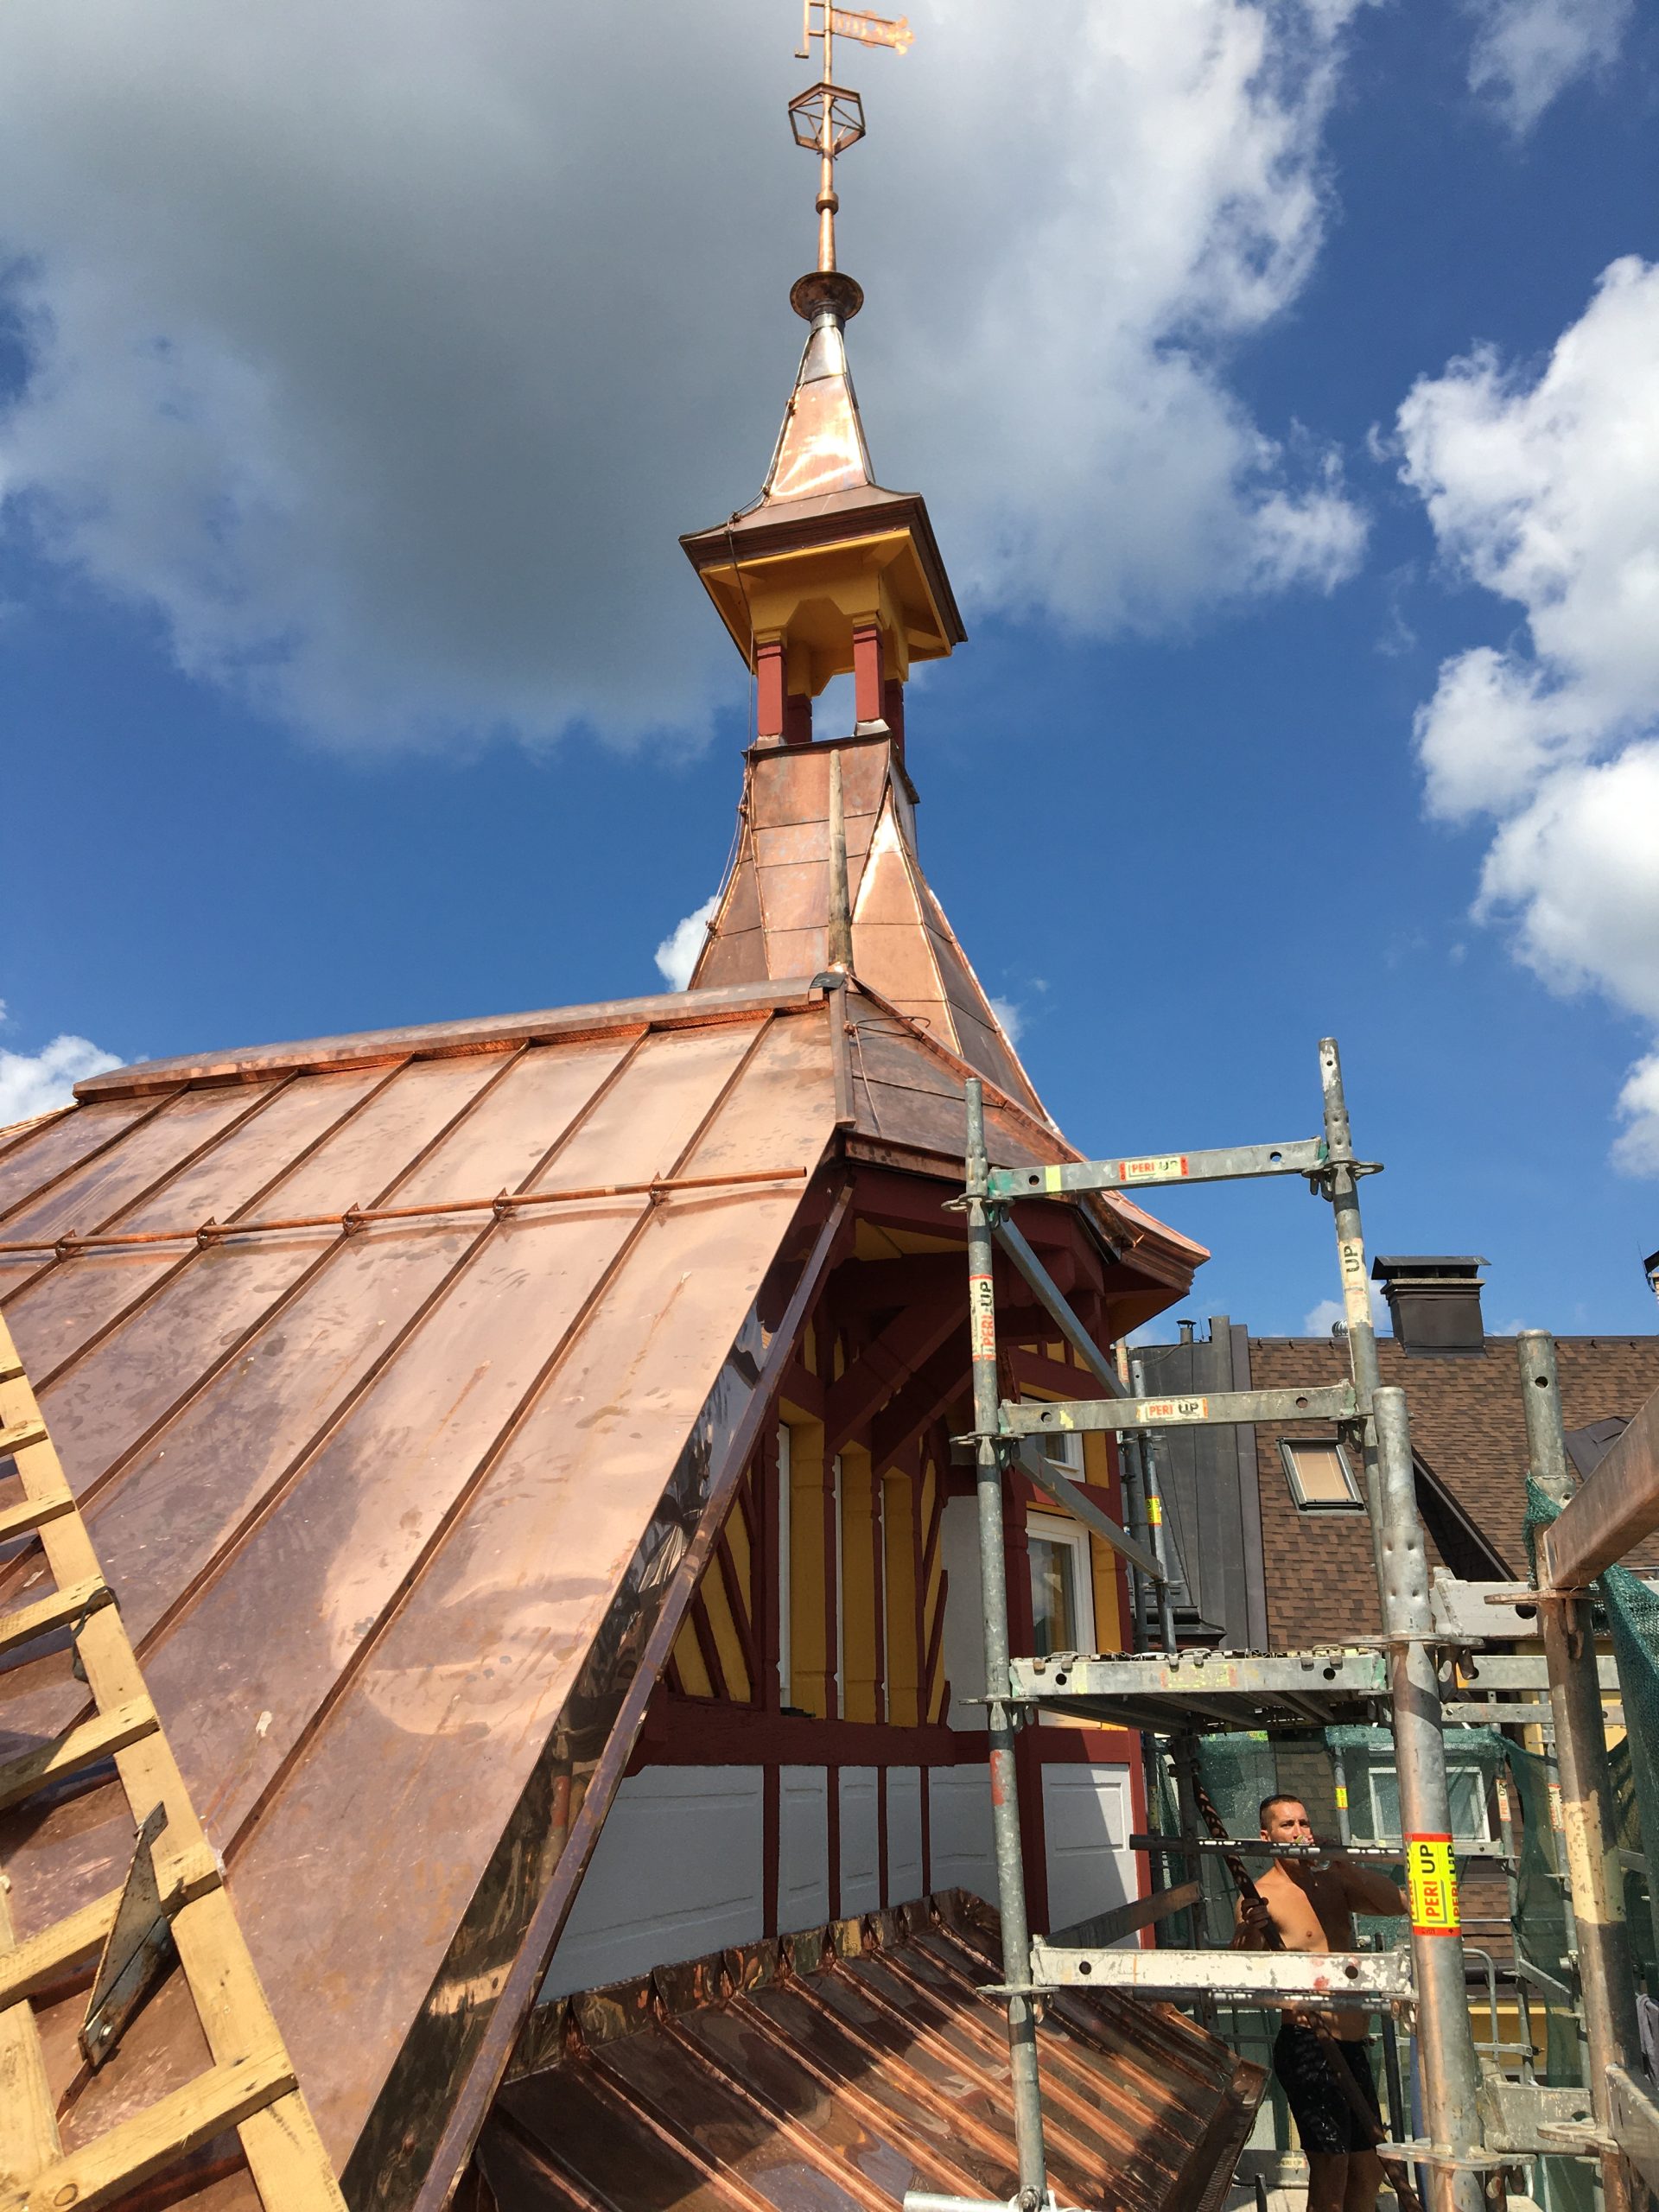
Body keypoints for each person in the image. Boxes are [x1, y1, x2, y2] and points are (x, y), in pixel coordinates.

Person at [1234, 1793, 1405, 2212]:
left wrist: (1343, 1865)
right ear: (1267, 1836)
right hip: (1308, 2043)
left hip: (1353, 2045)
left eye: (1304, 1823)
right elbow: (1241, 1964)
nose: (1299, 1832)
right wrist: (1252, 1929)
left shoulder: (1332, 1883)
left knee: (1369, 2169)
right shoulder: (1261, 1894)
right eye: (1287, 1825)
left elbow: (1399, 1904)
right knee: (1332, 2169)